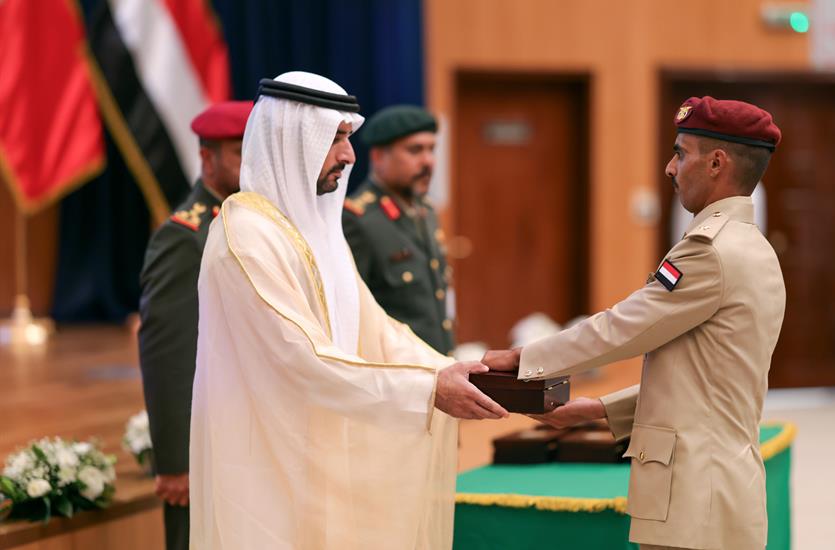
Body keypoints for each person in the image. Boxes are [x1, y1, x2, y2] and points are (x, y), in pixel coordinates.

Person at [189, 72, 507, 550]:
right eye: (336, 137)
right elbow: (303, 356)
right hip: (270, 464)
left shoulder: (318, 232)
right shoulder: (246, 237)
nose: (349, 155)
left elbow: (379, 332)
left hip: (326, 455)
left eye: (349, 137)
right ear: (290, 139)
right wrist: (428, 388)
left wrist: (468, 373)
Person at [483, 96, 786, 550]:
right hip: (720, 491)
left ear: (717, 162)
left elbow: (623, 327)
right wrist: (601, 410)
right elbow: (710, 382)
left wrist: (526, 359)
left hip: (692, 501)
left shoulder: (708, 250)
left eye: (681, 153)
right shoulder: (754, 248)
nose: (670, 167)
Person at [138, 100, 253, 550]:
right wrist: (175, 461)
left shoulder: (257, 222)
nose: (254, 163)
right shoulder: (186, 237)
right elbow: (167, 353)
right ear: (207, 159)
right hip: (205, 448)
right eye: (241, 151)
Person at [343, 105, 454, 354]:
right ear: (379, 157)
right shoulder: (358, 220)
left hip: (439, 366)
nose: (427, 161)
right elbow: (352, 315)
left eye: (431, 149)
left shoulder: (425, 210)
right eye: (415, 150)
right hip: (396, 374)